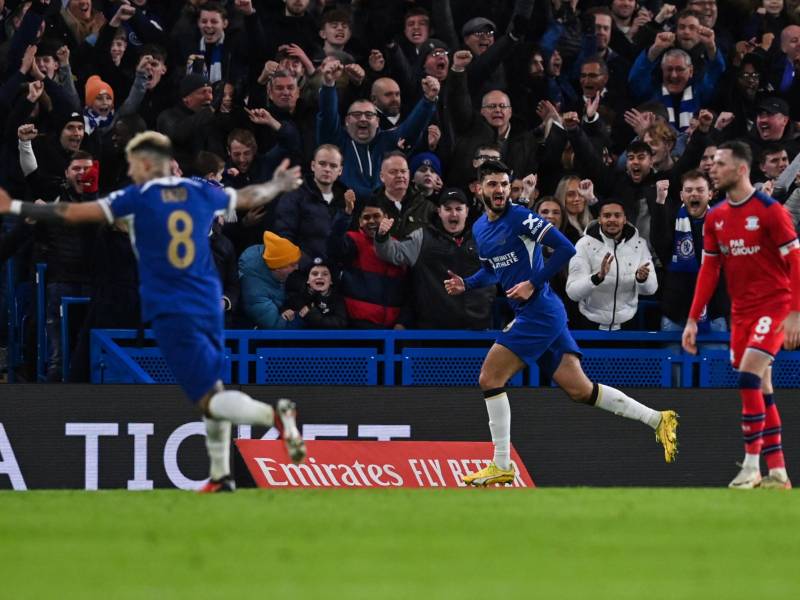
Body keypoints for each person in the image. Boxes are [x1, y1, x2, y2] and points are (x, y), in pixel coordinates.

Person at [0, 131, 307, 492]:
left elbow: (74, 211)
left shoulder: (138, 198)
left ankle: (275, 416)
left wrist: (17, 207)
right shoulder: (200, 190)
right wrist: (276, 184)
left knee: (210, 397)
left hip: (173, 307)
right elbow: (246, 197)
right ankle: (222, 475)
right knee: (213, 384)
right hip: (207, 301)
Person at [444, 160, 678, 486]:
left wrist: (533, 282)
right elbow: (492, 269)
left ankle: (501, 464)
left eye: (503, 184)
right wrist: (466, 284)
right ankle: (657, 419)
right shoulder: (481, 228)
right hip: (538, 314)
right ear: (478, 188)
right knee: (581, 390)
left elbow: (565, 248)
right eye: (492, 185)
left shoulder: (521, 217)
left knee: (489, 376)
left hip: (539, 310)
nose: (499, 191)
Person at [682, 141, 800, 490]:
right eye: (712, 163)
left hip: (775, 306)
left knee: (748, 376)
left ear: (741, 169)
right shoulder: (716, 217)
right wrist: (692, 318)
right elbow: (709, 270)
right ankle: (778, 471)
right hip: (742, 313)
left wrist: (795, 312)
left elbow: (795, 261)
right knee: (762, 386)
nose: (712, 169)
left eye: (720, 163)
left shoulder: (770, 211)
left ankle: (751, 467)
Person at [566, 199, 657, 331]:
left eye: (617, 215)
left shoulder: (639, 245)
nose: (612, 219)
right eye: (607, 216)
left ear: (624, 219)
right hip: (590, 323)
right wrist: (597, 278)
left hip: (628, 324)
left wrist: (642, 279)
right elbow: (573, 292)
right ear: (599, 220)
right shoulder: (584, 245)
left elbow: (651, 289)